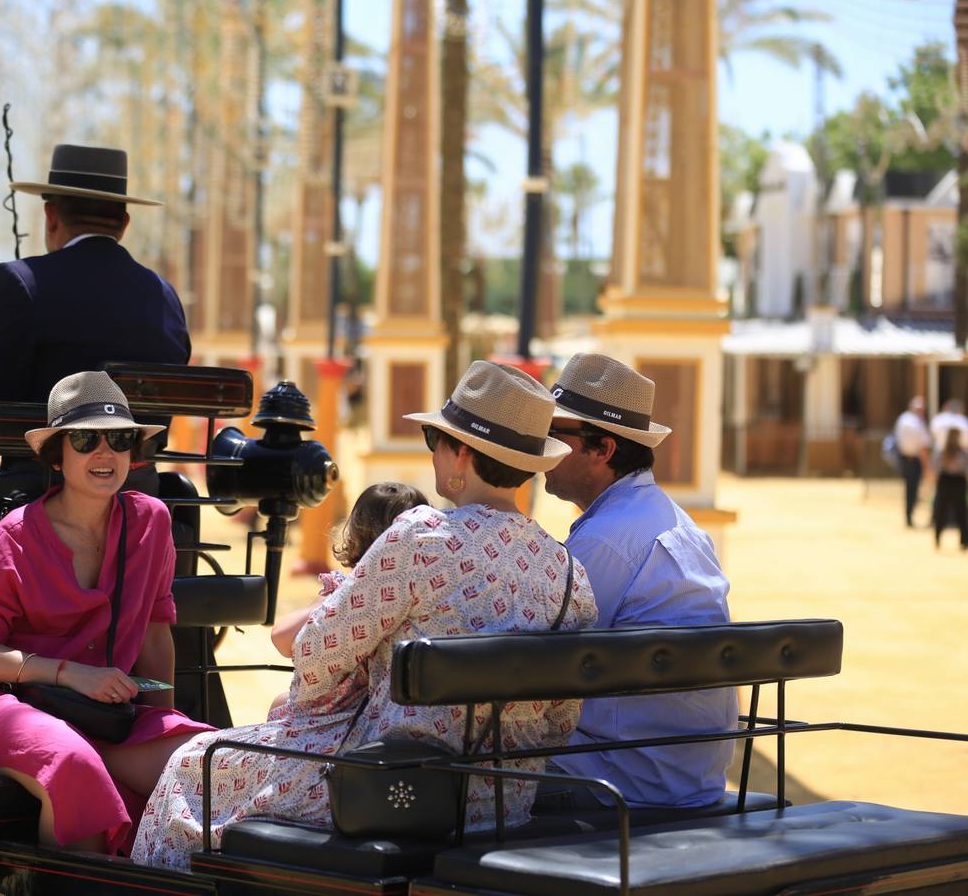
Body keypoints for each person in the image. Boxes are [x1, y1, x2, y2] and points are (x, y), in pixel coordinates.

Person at [131, 361, 598, 870]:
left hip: (385, 785)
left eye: (433, 437)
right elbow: (559, 720)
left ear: (461, 452)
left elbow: (315, 655)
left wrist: (315, 711)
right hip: (504, 800)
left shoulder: (423, 537)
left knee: (189, 768)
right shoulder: (569, 572)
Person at [0, 372, 211, 854]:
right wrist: (69, 673)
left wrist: (155, 722)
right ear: (57, 456)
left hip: (96, 714)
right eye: (85, 440)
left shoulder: (151, 522)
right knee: (73, 763)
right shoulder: (12, 539)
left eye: (119, 439)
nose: (105, 453)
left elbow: (155, 634)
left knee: (206, 764)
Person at [541, 353, 735, 809]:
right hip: (687, 779)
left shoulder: (608, 540)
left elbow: (530, 655)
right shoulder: (675, 521)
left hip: (616, 780)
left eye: (554, 434)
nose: (542, 447)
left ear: (603, 449)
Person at [0, 144, 190, 488]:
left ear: (51, 216)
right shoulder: (165, 296)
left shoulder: (21, 283)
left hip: (41, 490)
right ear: (124, 224)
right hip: (140, 490)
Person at [266, 482, 429, 712]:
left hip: (341, 715)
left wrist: (327, 602)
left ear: (355, 533)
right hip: (393, 708)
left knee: (280, 704)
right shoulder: (422, 592)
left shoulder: (345, 591)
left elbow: (281, 638)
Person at [893, 396, 932, 528]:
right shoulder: (917, 423)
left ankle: (908, 516)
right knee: (913, 489)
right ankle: (910, 516)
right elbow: (923, 448)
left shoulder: (903, 419)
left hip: (903, 459)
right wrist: (927, 467)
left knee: (909, 489)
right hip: (914, 460)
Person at [931, 427, 967, 550]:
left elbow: (935, 467)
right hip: (956, 481)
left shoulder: (942, 451)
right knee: (959, 511)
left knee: (943, 510)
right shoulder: (960, 452)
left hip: (946, 481)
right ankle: (963, 541)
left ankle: (938, 538)